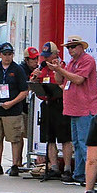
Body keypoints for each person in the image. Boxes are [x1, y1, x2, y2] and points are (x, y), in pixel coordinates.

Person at [48, 36, 97, 186]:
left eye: (73, 46)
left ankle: (91, 176)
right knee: (77, 143)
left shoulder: (87, 60)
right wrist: (57, 69)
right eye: (68, 47)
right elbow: (60, 81)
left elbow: (78, 80)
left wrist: (60, 69)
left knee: (85, 143)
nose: (70, 50)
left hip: (86, 108)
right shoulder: (71, 62)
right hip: (74, 108)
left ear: (81, 47)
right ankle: (79, 174)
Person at [0, 42, 30, 177]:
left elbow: (24, 91)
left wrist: (12, 102)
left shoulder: (17, 70)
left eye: (10, 54)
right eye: (5, 54)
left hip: (12, 111)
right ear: (0, 55)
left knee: (14, 138)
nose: (7, 57)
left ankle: (15, 164)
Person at [32, 41, 70, 182]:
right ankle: (53, 167)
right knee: (50, 138)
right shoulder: (43, 68)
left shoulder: (63, 67)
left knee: (65, 138)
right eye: (44, 56)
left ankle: (66, 168)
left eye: (48, 56)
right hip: (47, 104)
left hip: (60, 105)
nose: (45, 59)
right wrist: (35, 78)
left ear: (56, 54)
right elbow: (36, 85)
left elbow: (66, 84)